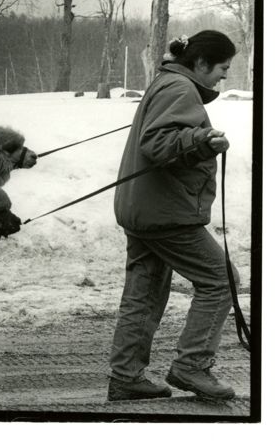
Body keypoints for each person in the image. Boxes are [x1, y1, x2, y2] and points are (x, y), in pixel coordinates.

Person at [107, 29, 238, 402]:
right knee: (221, 280)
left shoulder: (166, 82)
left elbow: (158, 135)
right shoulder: (180, 89)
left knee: (143, 294)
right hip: (166, 214)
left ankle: (126, 377)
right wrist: (201, 141)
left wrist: (197, 138)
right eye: (222, 68)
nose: (223, 77)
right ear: (199, 63)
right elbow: (157, 143)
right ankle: (191, 366)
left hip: (144, 209)